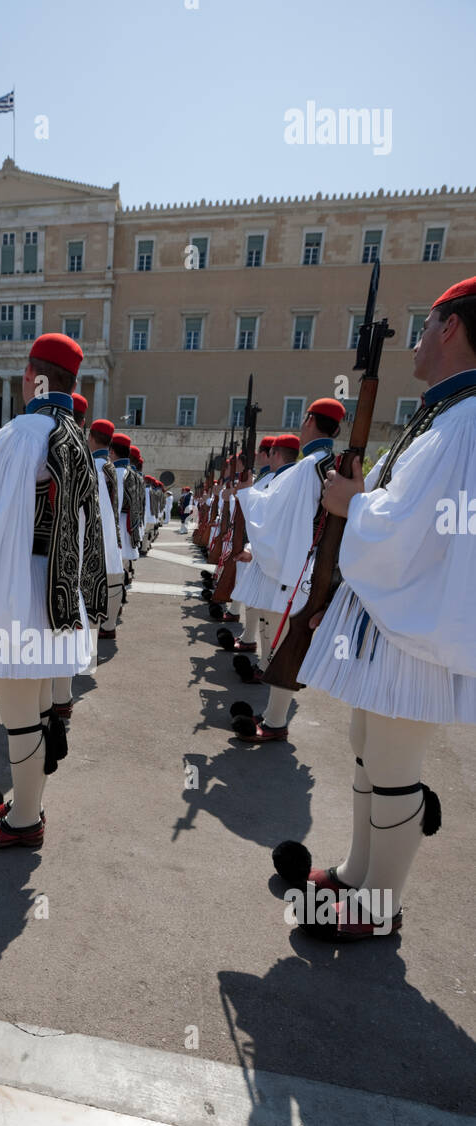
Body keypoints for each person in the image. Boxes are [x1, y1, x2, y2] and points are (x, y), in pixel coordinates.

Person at [276, 277, 476, 940]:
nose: (417, 341)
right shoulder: (448, 415)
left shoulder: (467, 419)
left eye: (426, 326)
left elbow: (418, 528)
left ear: (450, 328)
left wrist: (351, 507)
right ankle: (356, 874)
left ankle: (378, 905)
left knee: (393, 762)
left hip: (413, 629)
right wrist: (355, 495)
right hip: (395, 621)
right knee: (368, 746)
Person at [0, 333, 107, 849]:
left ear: (32, 377)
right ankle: (29, 804)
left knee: (19, 719)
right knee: (33, 711)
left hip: (18, 593)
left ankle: (25, 822)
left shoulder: (17, 435)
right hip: (58, 592)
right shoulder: (74, 438)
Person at [229, 404, 344, 737]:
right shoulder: (326, 463)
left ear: (309, 421)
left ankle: (276, 721)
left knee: (284, 642)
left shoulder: (309, 466)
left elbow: (278, 515)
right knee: (279, 636)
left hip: (295, 565)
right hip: (308, 563)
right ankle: (273, 714)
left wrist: (248, 494)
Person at [87, 417, 123, 640]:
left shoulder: (93, 468)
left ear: (91, 438)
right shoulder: (110, 467)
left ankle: (87, 655)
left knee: (90, 601)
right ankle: (107, 627)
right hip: (111, 535)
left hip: (94, 538)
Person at [110, 432, 141, 595]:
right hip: (128, 522)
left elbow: (115, 503)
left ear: (112, 451)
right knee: (120, 562)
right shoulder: (134, 474)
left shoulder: (116, 473)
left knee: (114, 564)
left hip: (119, 523)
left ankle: (118, 595)